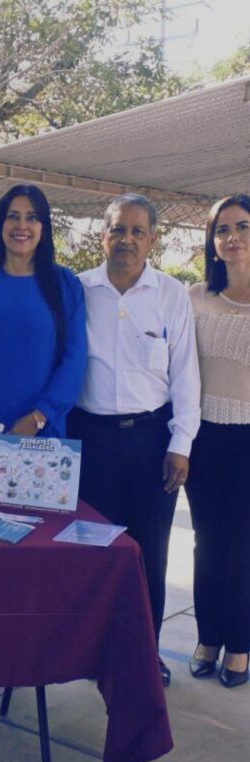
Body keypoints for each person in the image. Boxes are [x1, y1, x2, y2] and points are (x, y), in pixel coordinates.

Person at [67, 193, 201, 687]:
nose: (126, 240)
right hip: (90, 439)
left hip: (150, 442)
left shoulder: (171, 295)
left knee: (149, 552)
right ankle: (96, 651)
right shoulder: (76, 291)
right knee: (94, 550)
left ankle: (145, 654)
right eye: (118, 229)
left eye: (137, 231)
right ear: (102, 235)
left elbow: (187, 375)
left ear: (152, 240)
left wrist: (181, 443)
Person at [0, 184, 87, 484]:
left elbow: (74, 361)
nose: (22, 226)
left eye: (32, 217)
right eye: (13, 216)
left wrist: (37, 418)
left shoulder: (66, 284)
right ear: (1, 224)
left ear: (44, 227)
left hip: (41, 435)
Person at [185, 193, 249, 689]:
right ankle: (208, 636)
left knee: (242, 547)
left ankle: (241, 642)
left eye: (243, 226)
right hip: (203, 436)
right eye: (223, 229)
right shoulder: (193, 298)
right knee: (208, 542)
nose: (232, 237)